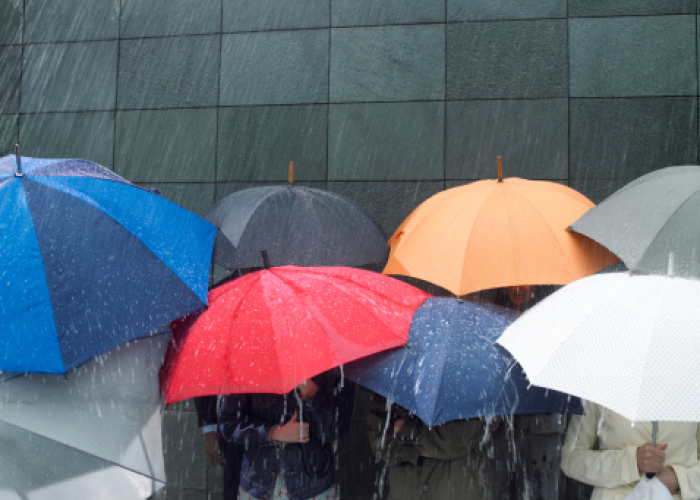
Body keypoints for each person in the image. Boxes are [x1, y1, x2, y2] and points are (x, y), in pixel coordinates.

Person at [469, 285, 569, 500]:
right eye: (513, 282)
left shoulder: (556, 309)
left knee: (540, 490)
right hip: (498, 422)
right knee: (495, 490)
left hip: (542, 422)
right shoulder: (485, 314)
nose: (518, 288)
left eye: (525, 282)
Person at [219, 371, 345, 500]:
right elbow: (229, 424)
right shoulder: (248, 368)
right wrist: (273, 433)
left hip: (313, 486)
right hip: (258, 484)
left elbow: (336, 429)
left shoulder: (327, 367)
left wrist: (311, 392)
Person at [365, 390, 491, 500]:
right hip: (406, 490)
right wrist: (415, 452)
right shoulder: (395, 375)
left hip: (457, 489)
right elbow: (379, 441)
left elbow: (459, 438)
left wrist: (408, 430)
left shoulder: (474, 380)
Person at [561, 400, 700, 499]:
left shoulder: (693, 382)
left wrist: (681, 479)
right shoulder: (601, 381)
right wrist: (631, 461)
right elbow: (572, 457)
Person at [195, 395, 243, 500]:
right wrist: (210, 428)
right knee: (234, 488)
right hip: (234, 423)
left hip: (274, 422)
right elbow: (205, 381)